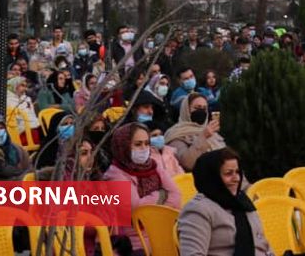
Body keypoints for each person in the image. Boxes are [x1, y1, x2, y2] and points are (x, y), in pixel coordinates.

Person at [178, 148, 276, 256]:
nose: (236, 178)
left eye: (237, 172)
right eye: (228, 173)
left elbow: (264, 246)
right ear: (212, 177)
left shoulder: (243, 203)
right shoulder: (199, 209)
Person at [104, 123, 182, 254]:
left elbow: (176, 196)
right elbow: (137, 210)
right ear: (123, 146)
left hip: (163, 232)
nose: (144, 149)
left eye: (147, 143)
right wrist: (161, 195)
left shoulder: (153, 166)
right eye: (138, 144)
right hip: (136, 242)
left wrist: (153, 211)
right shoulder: (115, 174)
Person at [165, 93, 226, 170]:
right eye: (197, 108)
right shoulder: (176, 133)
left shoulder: (211, 132)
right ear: (186, 110)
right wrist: (203, 136)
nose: (201, 111)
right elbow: (187, 163)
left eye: (204, 109)